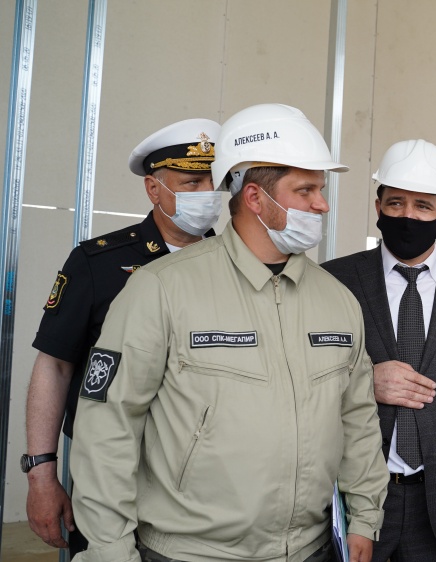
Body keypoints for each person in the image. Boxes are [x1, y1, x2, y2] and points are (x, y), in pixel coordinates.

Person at [69, 103, 388, 562]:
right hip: (189, 552)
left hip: (310, 550)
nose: (322, 204)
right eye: (306, 190)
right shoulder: (162, 289)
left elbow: (357, 420)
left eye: (320, 189)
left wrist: (364, 520)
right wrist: (110, 551)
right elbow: (107, 429)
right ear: (255, 198)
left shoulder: (337, 300)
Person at [22, 118, 221, 555]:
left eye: (213, 181)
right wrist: (41, 474)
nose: (207, 193)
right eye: (191, 183)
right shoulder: (98, 262)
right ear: (154, 189)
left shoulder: (232, 266)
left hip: (205, 479)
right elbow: (55, 366)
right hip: (111, 471)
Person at [322, 139, 436, 562]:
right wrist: (364, 380)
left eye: (423, 206)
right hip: (354, 499)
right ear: (378, 207)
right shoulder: (334, 282)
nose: (408, 216)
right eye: (396, 203)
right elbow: (301, 382)